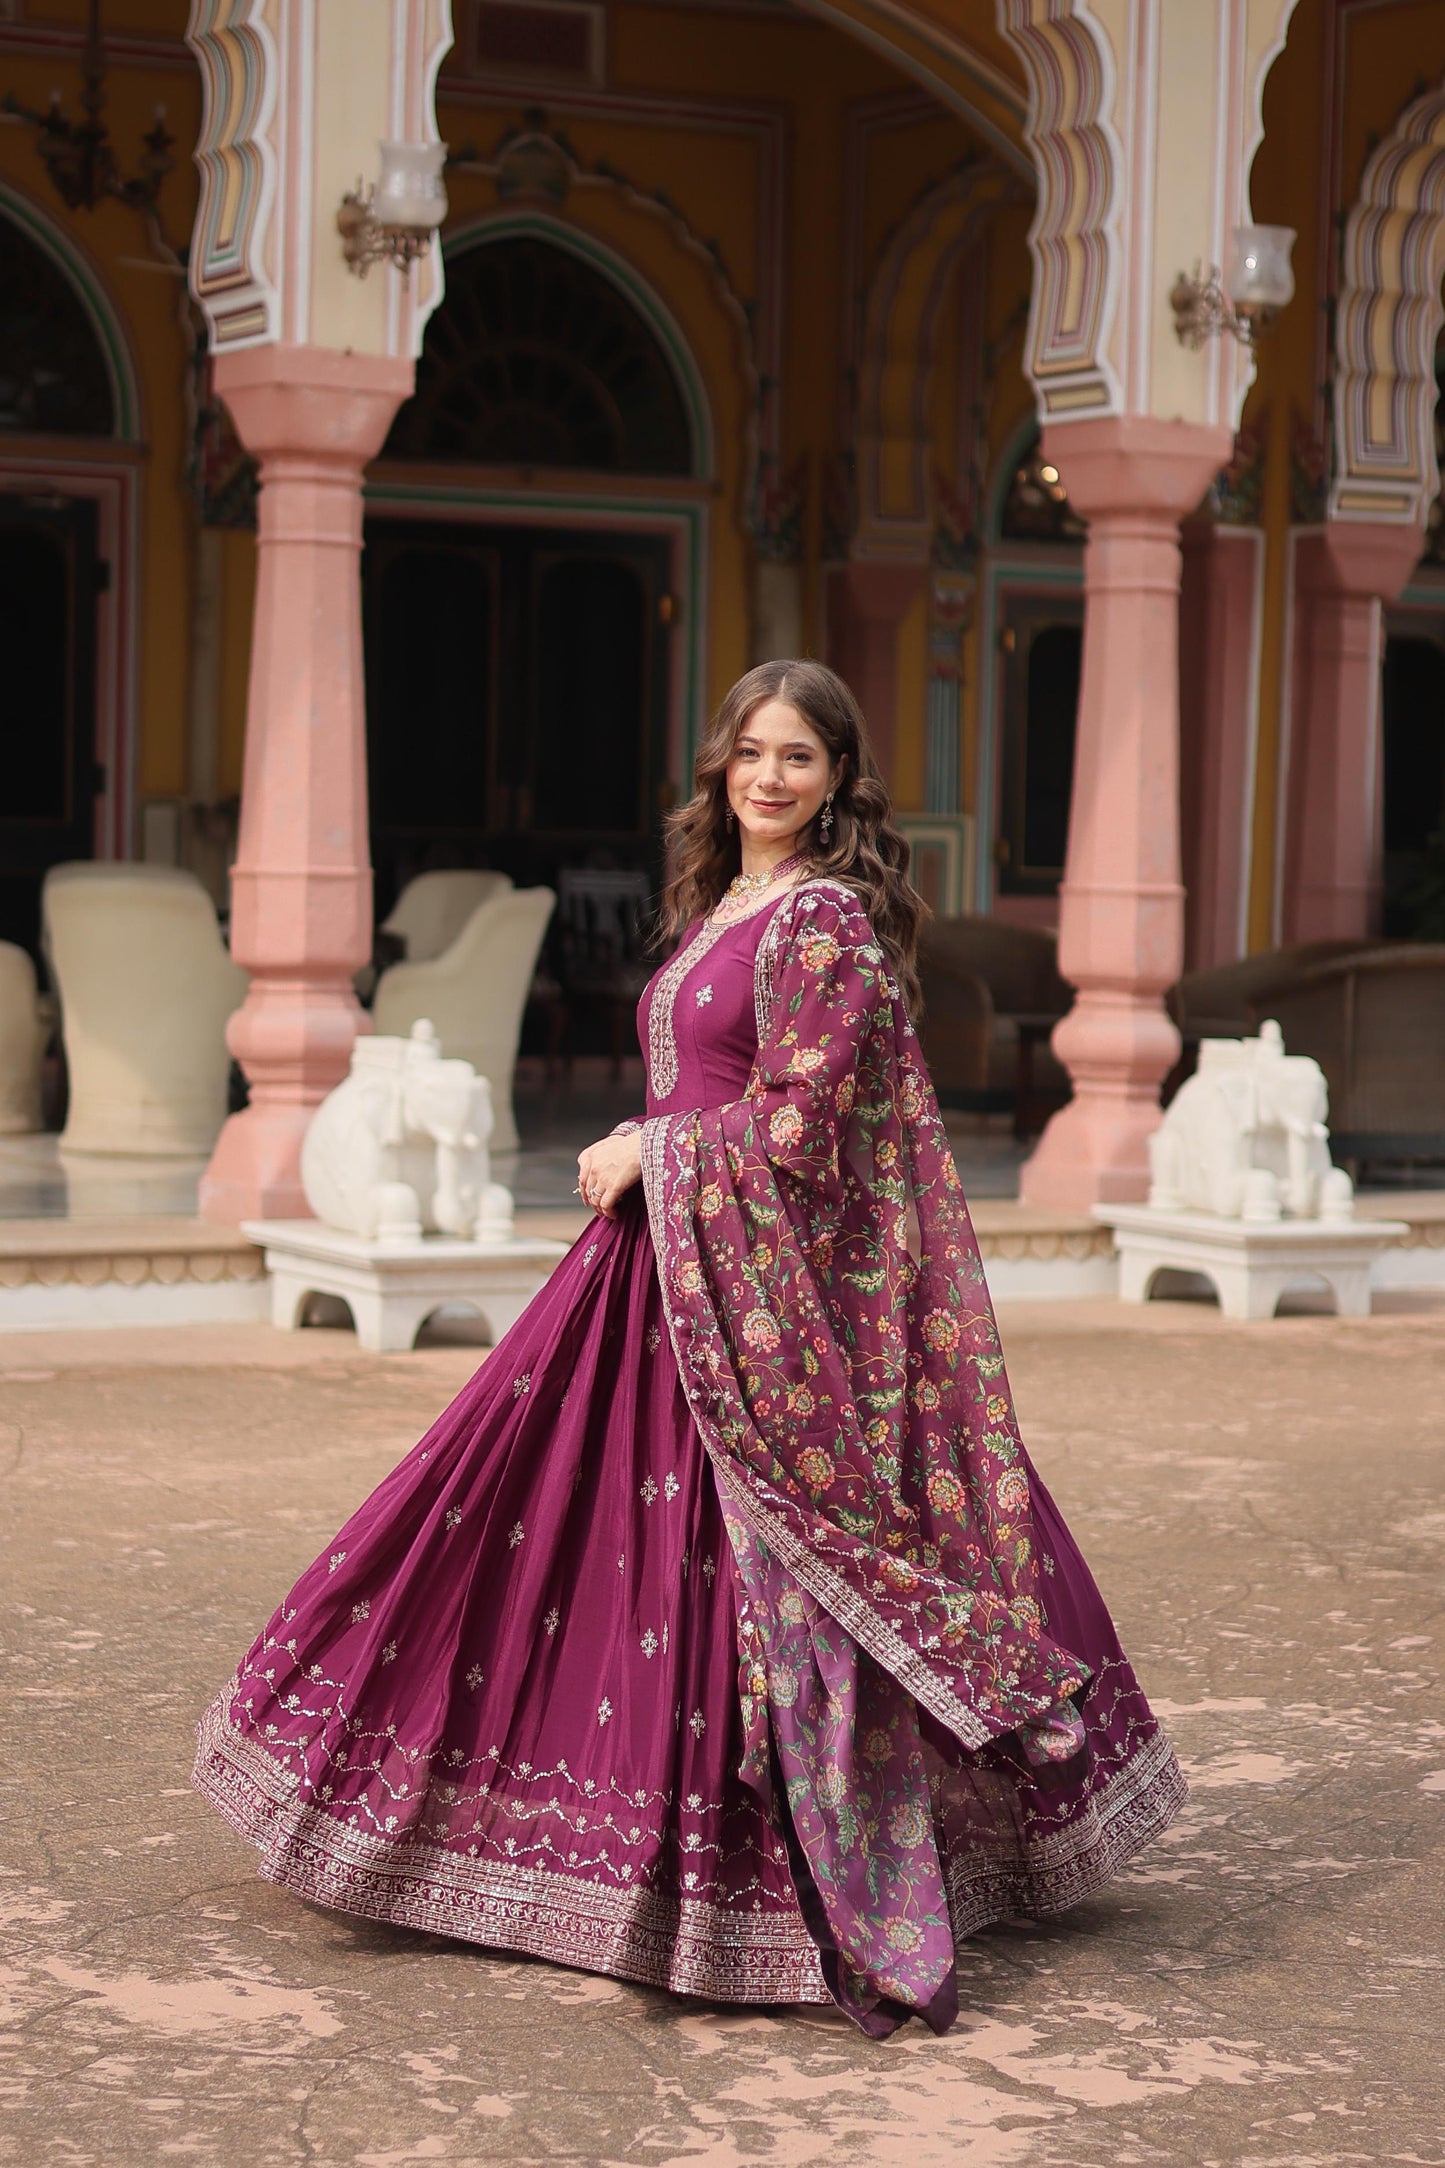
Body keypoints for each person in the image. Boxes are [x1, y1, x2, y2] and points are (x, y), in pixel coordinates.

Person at [194, 659, 1184, 2039]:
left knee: (739, 1565)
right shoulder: (727, 905)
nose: (770, 779)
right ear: (718, 769)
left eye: (799, 758)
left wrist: (647, 1148)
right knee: (526, 1531)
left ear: (839, 781)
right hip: (663, 1273)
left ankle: (748, 1882)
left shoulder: (823, 920)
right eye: (750, 755)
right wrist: (652, 1148)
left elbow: (799, 1128)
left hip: (745, 1300)